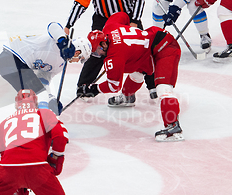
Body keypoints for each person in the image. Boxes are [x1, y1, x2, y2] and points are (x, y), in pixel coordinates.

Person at [64, 0, 156, 102]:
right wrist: (68, 25)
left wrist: (134, 22)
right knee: (95, 52)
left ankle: (153, 86)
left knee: (144, 49)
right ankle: (84, 86)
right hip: (102, 21)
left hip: (127, 19)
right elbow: (81, 2)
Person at [77, 12, 184, 142]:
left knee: (164, 89)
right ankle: (128, 97)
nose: (97, 54)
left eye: (96, 50)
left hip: (165, 47)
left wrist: (94, 89)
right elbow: (122, 15)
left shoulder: (113, 57)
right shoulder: (109, 27)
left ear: (104, 44)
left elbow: (113, 85)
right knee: (137, 73)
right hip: (149, 46)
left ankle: (173, 127)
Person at [0, 22, 92, 115]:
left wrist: (51, 99)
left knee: (34, 97)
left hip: (12, 66)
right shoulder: (60, 41)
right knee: (36, 96)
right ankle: (38, 121)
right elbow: (53, 26)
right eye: (80, 58)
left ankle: (28, 121)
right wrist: (63, 42)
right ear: (77, 52)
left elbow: (43, 80)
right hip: (11, 58)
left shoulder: (60, 65)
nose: (77, 61)